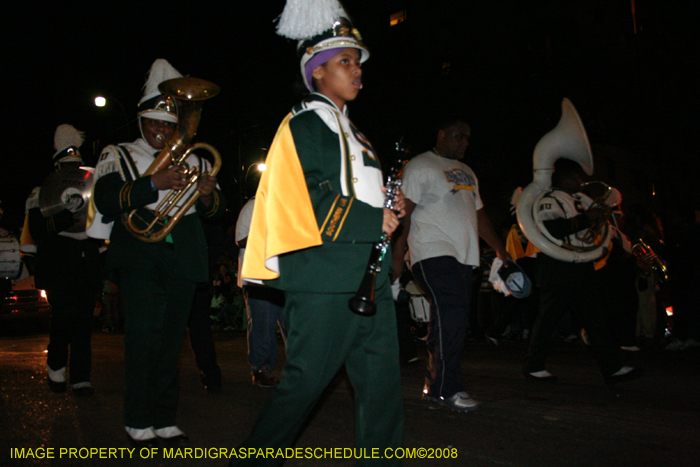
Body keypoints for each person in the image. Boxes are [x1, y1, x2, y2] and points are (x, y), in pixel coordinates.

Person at [230, 3, 404, 464]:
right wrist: (372, 220)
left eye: (358, 62)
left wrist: (390, 207)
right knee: (305, 383)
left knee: (382, 386)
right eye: (345, 61)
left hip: (370, 270)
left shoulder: (356, 132)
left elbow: (357, 193)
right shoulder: (303, 123)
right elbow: (302, 197)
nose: (357, 70)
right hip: (325, 274)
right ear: (317, 72)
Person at [89, 59, 226, 446]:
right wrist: (154, 183)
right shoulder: (119, 153)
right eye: (154, 123)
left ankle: (164, 418)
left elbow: (217, 212)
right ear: (141, 122)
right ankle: (137, 418)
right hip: (139, 254)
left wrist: (208, 193)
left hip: (181, 254)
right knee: (143, 337)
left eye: (168, 123)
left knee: (170, 341)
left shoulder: (194, 158)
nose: (162, 130)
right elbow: (106, 198)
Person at [395, 117, 510, 413]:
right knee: (453, 315)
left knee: (450, 320)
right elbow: (404, 213)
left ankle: (436, 387)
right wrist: (397, 254)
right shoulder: (420, 165)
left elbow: (480, 214)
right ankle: (446, 389)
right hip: (432, 253)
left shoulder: (468, 172)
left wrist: (500, 247)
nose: (464, 142)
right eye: (458, 136)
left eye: (468, 138)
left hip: (464, 257)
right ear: (442, 134)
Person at [522, 158, 640, 385]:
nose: (581, 182)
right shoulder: (548, 200)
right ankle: (533, 366)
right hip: (558, 266)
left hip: (582, 264)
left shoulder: (581, 199)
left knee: (595, 319)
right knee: (548, 319)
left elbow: (598, 227)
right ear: (566, 181)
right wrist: (588, 219)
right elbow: (554, 229)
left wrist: (600, 219)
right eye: (576, 178)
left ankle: (613, 368)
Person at [27, 124, 102, 396]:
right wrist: (66, 215)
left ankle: (81, 378)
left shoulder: (91, 187)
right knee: (63, 317)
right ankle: (56, 365)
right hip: (59, 264)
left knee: (84, 321)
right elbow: (38, 229)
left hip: (86, 262)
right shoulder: (41, 192)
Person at [236, 197, 286, 388]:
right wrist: (269, 232)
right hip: (257, 278)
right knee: (262, 327)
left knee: (294, 326)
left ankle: (299, 369)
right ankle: (260, 369)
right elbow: (240, 240)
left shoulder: (291, 203)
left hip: (285, 276)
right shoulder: (253, 205)